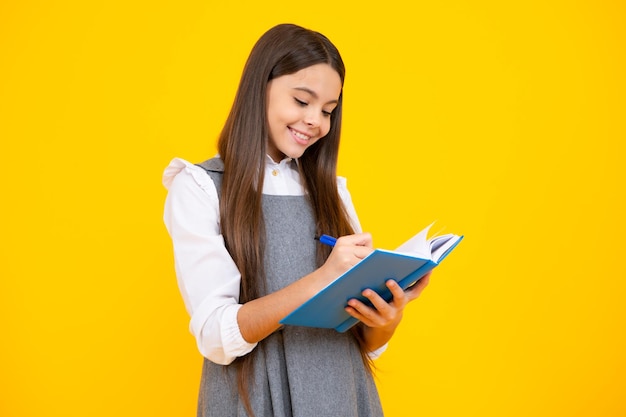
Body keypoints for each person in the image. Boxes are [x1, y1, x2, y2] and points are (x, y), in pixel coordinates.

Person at [162, 23, 431, 417]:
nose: (316, 122)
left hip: (343, 396)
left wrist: (387, 315)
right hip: (254, 399)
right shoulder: (200, 187)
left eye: (327, 111)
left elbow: (363, 341)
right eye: (302, 101)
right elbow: (216, 335)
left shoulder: (332, 191)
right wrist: (323, 277)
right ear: (261, 88)